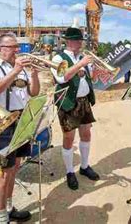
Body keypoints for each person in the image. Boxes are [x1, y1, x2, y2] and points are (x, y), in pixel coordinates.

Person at [0, 33, 39, 223]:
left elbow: (34, 92)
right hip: (3, 124)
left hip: (21, 121)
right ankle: (0, 217)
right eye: (12, 47)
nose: (16, 50)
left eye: (17, 47)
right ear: (0, 48)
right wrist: (15, 70)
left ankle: (9, 206)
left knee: (14, 168)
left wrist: (35, 73)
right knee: (3, 173)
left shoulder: (19, 68)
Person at [51, 23, 100, 191]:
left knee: (86, 134)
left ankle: (84, 166)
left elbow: (90, 78)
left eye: (81, 40)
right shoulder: (59, 58)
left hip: (84, 101)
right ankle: (70, 171)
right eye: (77, 41)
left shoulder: (82, 57)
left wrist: (97, 71)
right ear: (68, 42)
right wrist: (81, 64)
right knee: (68, 138)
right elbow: (62, 78)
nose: (80, 43)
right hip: (68, 102)